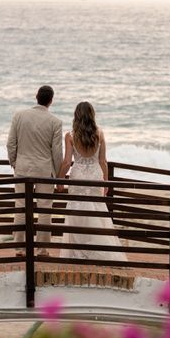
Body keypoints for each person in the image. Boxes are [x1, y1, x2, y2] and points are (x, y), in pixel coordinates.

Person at [57, 101, 127, 262]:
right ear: (92, 115)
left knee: (76, 211)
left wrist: (60, 180)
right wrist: (106, 181)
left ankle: (79, 250)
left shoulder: (70, 136)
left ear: (76, 116)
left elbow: (67, 162)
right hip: (95, 175)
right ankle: (96, 248)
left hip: (79, 176)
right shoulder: (99, 134)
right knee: (97, 210)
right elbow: (103, 162)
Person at [7, 85, 63, 257]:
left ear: (36, 96)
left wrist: (15, 163)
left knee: (21, 208)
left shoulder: (19, 116)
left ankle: (20, 249)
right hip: (44, 171)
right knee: (45, 209)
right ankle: (42, 250)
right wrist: (58, 175)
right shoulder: (55, 122)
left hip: (23, 169)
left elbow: (11, 144)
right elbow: (57, 152)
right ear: (51, 101)